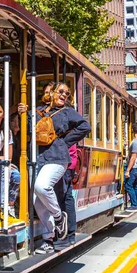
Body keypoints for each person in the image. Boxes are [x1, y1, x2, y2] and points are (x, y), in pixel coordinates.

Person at [19, 83, 91, 254]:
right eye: (61, 91)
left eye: (67, 93)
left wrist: (63, 142)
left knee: (41, 186)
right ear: (50, 93)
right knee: (38, 201)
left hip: (58, 157)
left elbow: (85, 126)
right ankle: (48, 239)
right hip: (37, 157)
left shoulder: (67, 112)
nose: (64, 95)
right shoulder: (36, 112)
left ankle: (59, 218)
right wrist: (22, 112)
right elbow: (27, 129)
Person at [0, 103, 23, 230]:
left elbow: (8, 157)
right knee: (1, 168)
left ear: (3, 115)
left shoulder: (6, 132)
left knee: (15, 173)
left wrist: (0, 159)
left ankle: (9, 207)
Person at [124, 123, 137, 211]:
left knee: (128, 185)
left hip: (135, 166)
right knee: (135, 184)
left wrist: (128, 170)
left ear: (132, 130)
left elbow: (133, 157)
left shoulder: (135, 142)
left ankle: (134, 204)